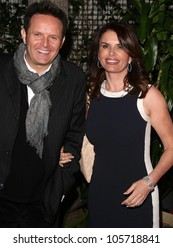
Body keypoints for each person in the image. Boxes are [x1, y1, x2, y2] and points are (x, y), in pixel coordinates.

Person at [60, 20, 173, 228]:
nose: (111, 53)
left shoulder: (147, 96)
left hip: (138, 197)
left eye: (120, 46)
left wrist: (149, 183)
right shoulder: (91, 96)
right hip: (99, 196)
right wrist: (61, 151)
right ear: (98, 55)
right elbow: (79, 137)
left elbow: (171, 147)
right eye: (105, 46)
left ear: (130, 55)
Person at [0, 0, 86, 228]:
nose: (45, 44)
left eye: (53, 37)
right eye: (38, 34)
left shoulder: (74, 80)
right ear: (24, 34)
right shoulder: (2, 70)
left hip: (42, 205)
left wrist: (58, 190)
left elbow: (75, 138)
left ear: (63, 41)